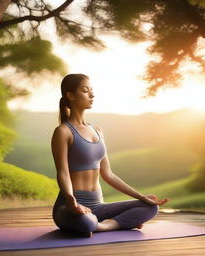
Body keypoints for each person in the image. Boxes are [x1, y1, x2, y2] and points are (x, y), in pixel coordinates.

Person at [51, 73, 169, 237]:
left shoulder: (97, 130)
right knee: (86, 222)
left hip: (98, 205)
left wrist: (141, 197)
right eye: (85, 90)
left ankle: (103, 226)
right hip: (70, 206)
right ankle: (115, 223)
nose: (92, 95)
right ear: (70, 95)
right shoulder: (63, 132)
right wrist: (71, 200)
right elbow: (62, 172)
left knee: (151, 207)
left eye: (92, 90)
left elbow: (108, 174)